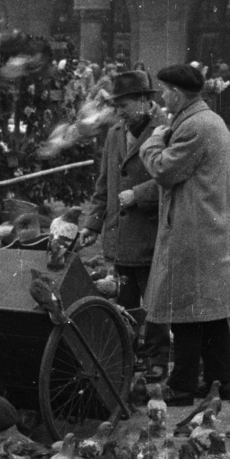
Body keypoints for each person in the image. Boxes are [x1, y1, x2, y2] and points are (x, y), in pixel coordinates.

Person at [139, 62, 230, 403]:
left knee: (185, 310)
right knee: (213, 314)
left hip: (196, 231)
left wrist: (153, 140)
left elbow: (163, 169)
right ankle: (221, 382)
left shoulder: (195, 127)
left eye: (164, 92)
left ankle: (183, 385)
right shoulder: (209, 119)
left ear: (177, 93)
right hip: (211, 227)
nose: (161, 98)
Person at [81, 69, 171, 380]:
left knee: (156, 301)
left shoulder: (166, 132)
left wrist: (140, 195)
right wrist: (92, 223)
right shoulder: (114, 134)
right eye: (116, 106)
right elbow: (105, 182)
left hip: (151, 234)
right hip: (120, 237)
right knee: (126, 303)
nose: (119, 112)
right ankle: (130, 355)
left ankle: (159, 357)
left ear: (146, 101)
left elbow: (174, 181)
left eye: (125, 105)